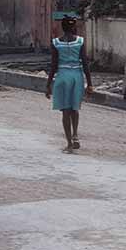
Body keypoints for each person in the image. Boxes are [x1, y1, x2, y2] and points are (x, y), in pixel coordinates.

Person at [45, 18, 93, 153]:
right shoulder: (80, 41)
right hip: (77, 77)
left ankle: (69, 143)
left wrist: (48, 84)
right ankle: (76, 135)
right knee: (75, 108)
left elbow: (53, 65)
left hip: (62, 77)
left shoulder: (56, 43)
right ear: (73, 28)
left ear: (62, 27)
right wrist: (89, 84)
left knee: (65, 111)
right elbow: (85, 63)